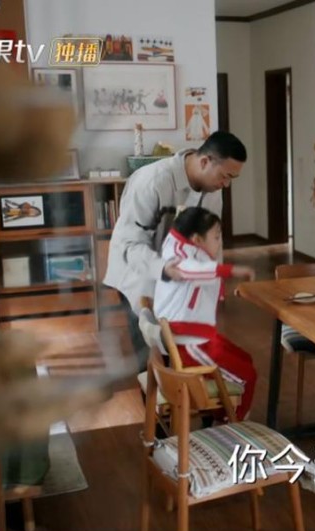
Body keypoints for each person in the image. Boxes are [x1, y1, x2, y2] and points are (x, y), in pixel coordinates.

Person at [103, 131, 246, 372]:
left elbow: (213, 239)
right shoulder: (153, 181)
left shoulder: (213, 189)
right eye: (225, 176)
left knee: (180, 348)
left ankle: (179, 391)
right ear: (204, 162)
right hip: (137, 273)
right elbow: (131, 243)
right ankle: (156, 392)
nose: (226, 184)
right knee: (150, 351)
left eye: (232, 178)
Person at [153, 207, 257, 420]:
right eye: (216, 237)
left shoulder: (185, 247)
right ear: (197, 239)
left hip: (196, 335)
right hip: (189, 344)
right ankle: (234, 424)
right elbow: (190, 269)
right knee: (247, 376)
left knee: (246, 359)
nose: (219, 243)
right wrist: (234, 270)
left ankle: (222, 415)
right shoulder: (179, 257)